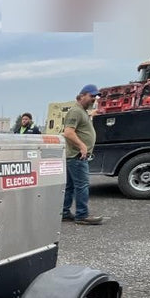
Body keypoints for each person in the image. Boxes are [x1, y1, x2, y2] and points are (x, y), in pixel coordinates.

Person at [61, 84, 103, 225]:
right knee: (82, 186)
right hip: (77, 156)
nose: (94, 99)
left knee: (70, 187)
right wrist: (82, 145)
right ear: (81, 96)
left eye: (95, 97)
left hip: (73, 156)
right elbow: (68, 132)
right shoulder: (76, 111)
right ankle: (82, 215)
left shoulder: (82, 111)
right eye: (92, 96)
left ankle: (64, 213)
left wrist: (92, 115)